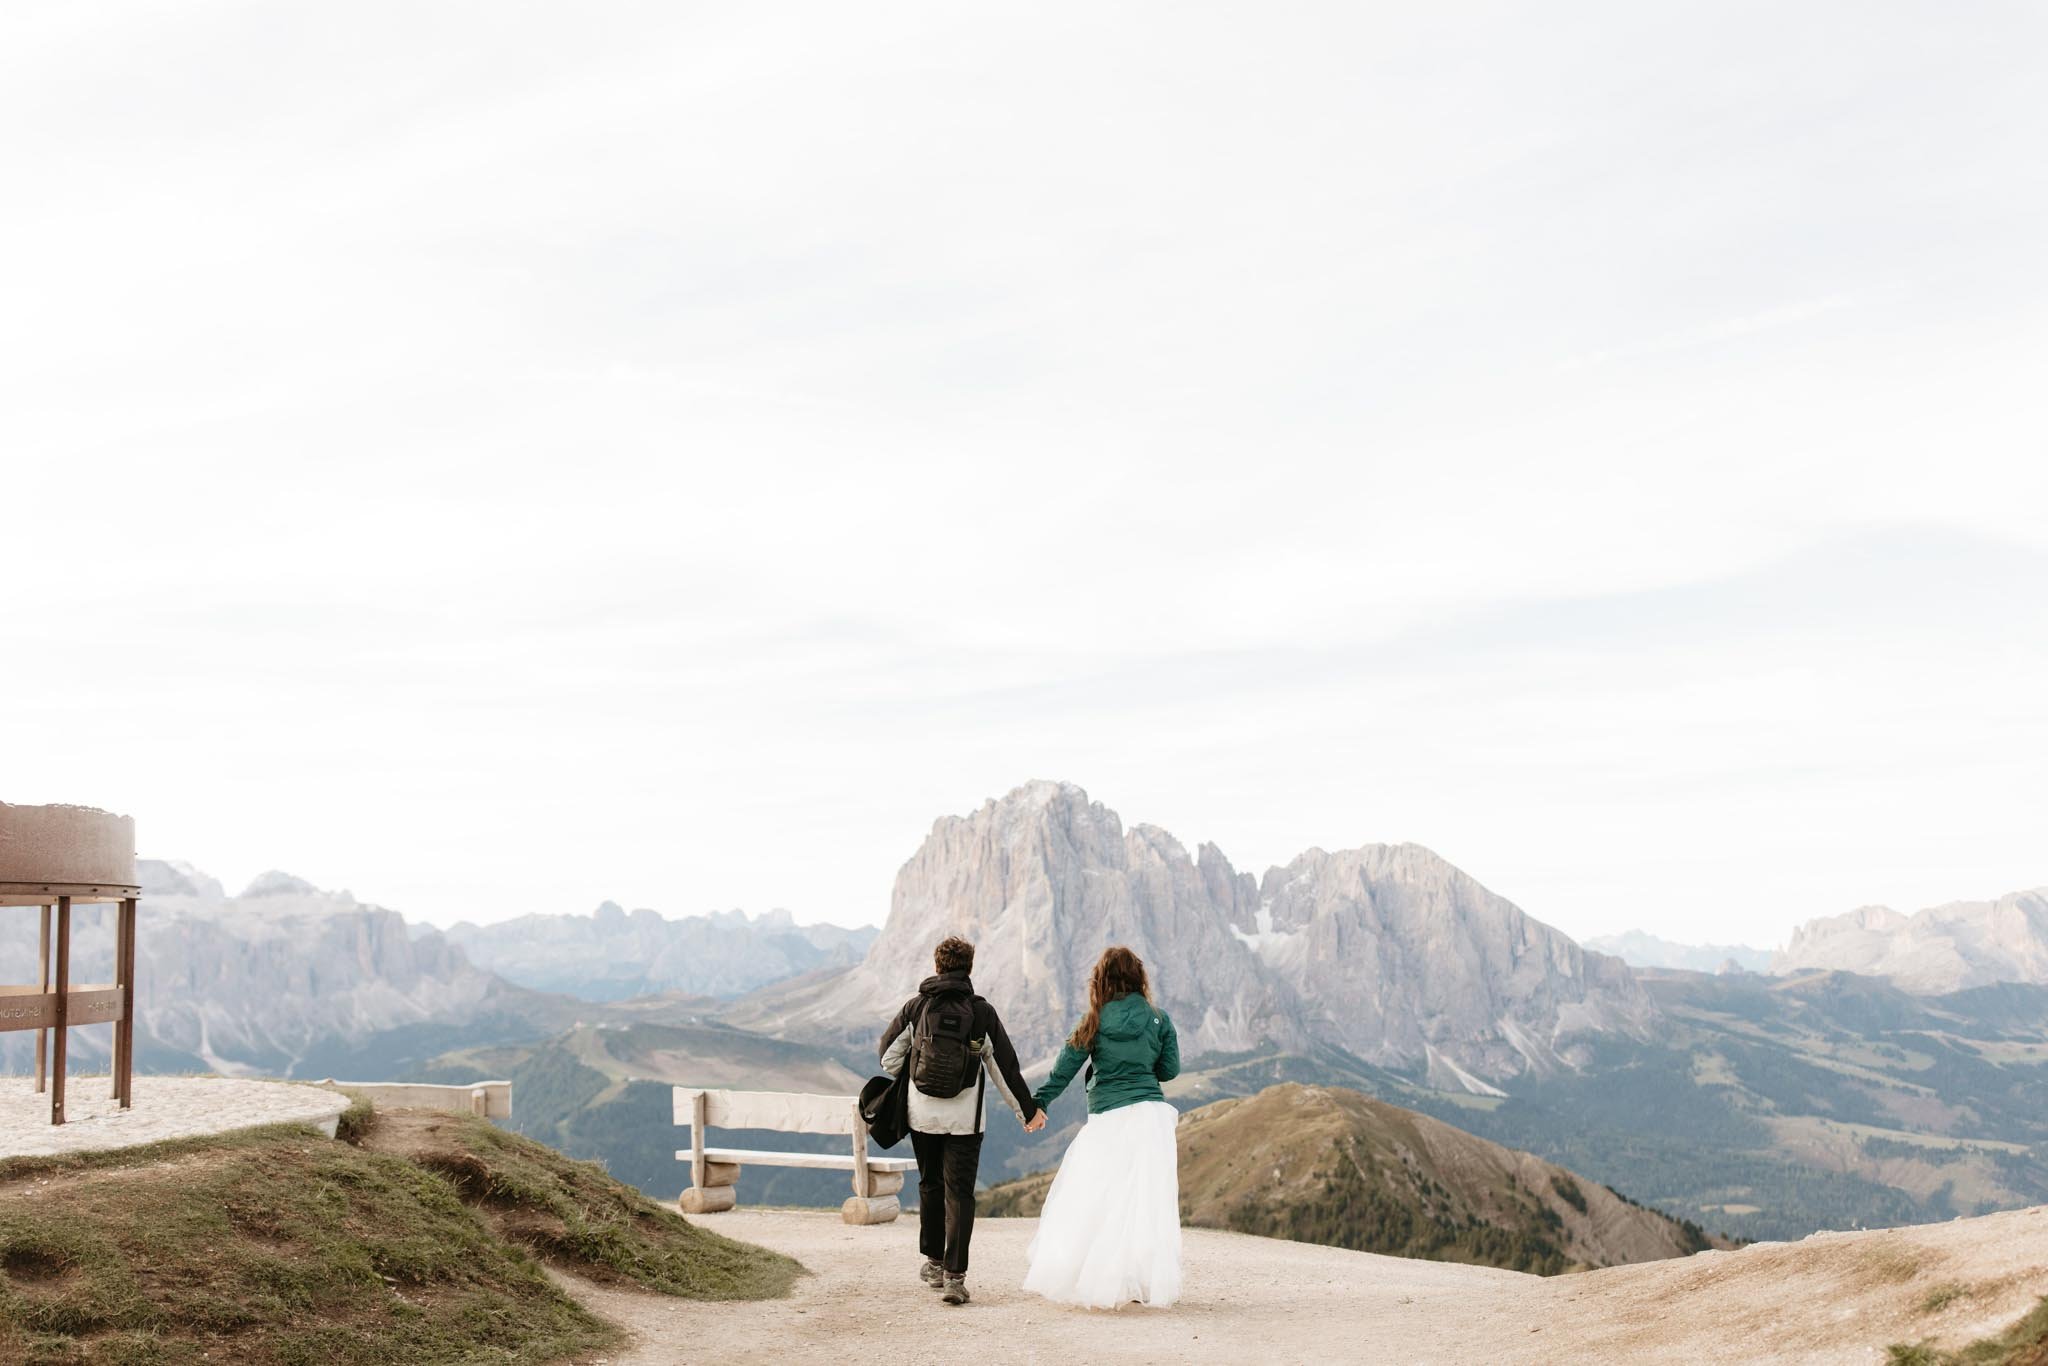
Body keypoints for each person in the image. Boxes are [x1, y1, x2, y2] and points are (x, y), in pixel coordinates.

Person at [879, 935, 1043, 1306]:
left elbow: (887, 1060)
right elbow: (1005, 1069)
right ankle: (955, 1278)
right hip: (965, 1122)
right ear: (969, 967)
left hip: (922, 1118)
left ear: (937, 966)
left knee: (931, 1185)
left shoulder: (917, 1007)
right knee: (960, 1194)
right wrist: (1027, 1113)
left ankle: (934, 1263)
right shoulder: (981, 1013)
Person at [1021, 945, 1183, 1309]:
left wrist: (1039, 1104)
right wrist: (1143, 1066)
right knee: (1144, 1202)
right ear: (1139, 977)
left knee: (1100, 1197)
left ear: (1102, 979)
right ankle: (1140, 1282)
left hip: (1108, 1115)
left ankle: (1100, 1279)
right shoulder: (1160, 1018)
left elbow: (1064, 1067)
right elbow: (1169, 1070)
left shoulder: (1093, 1019)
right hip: (1149, 1116)